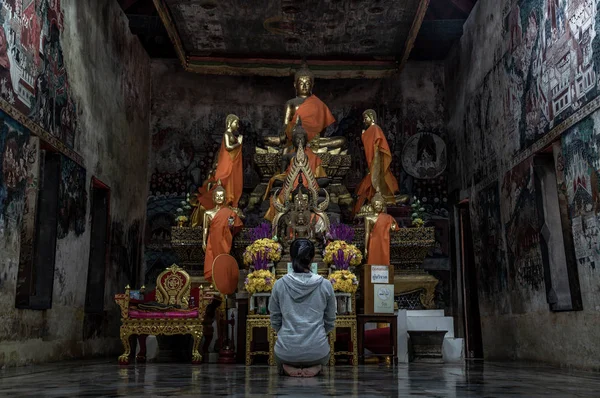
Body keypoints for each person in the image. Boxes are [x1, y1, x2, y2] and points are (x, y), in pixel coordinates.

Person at [269, 239, 336, 377]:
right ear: (312, 259)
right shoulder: (325, 285)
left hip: (286, 351)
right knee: (323, 357)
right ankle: (316, 366)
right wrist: (318, 335)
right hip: (318, 351)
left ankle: (288, 365)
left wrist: (286, 335)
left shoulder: (279, 285)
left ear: (290, 257)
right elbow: (330, 320)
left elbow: (275, 319)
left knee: (280, 357)